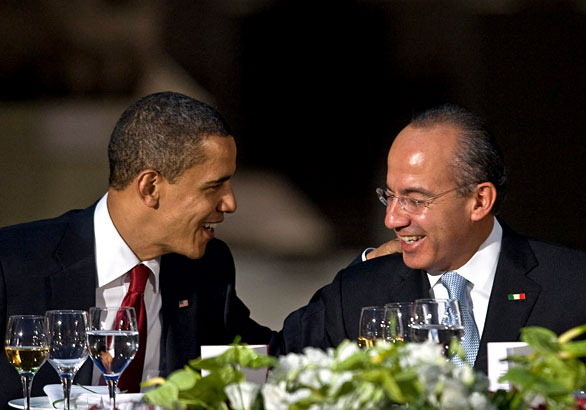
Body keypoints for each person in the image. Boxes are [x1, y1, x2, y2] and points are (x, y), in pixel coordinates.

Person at [0, 92, 274, 405]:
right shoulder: (12, 265)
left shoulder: (206, 269)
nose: (231, 203)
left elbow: (260, 364)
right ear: (150, 188)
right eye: (214, 186)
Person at [273, 103, 586, 374]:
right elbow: (271, 369)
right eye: (390, 196)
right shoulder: (359, 294)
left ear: (479, 201)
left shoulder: (572, 286)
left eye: (415, 199)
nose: (393, 219)